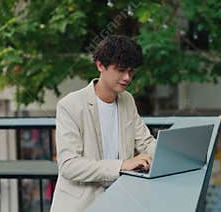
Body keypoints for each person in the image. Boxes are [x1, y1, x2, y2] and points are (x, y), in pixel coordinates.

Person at [50, 35, 157, 212]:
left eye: (131, 71)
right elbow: (69, 165)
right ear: (100, 65)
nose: (127, 77)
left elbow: (144, 142)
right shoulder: (70, 105)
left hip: (121, 199)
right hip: (82, 205)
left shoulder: (127, 100)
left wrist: (168, 156)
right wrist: (122, 165)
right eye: (121, 70)